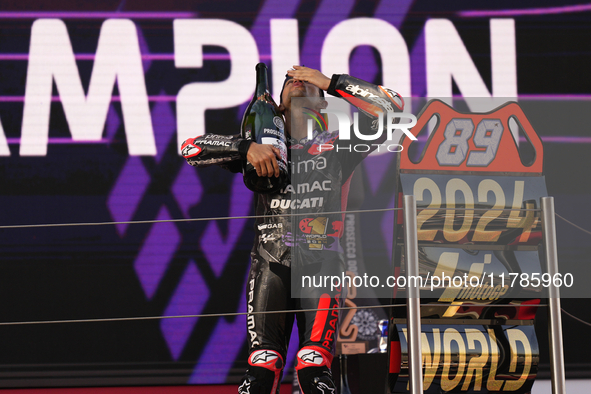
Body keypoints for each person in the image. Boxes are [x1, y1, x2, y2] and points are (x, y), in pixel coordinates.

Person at [181, 66, 403, 394]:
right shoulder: (262, 146)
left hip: (323, 267)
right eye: (290, 81)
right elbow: (190, 149)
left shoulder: (340, 146)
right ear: (280, 104)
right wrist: (245, 149)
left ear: (323, 103)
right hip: (269, 267)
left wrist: (331, 82)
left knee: (313, 370)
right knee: (261, 370)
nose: (298, 81)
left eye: (307, 81)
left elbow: (393, 108)